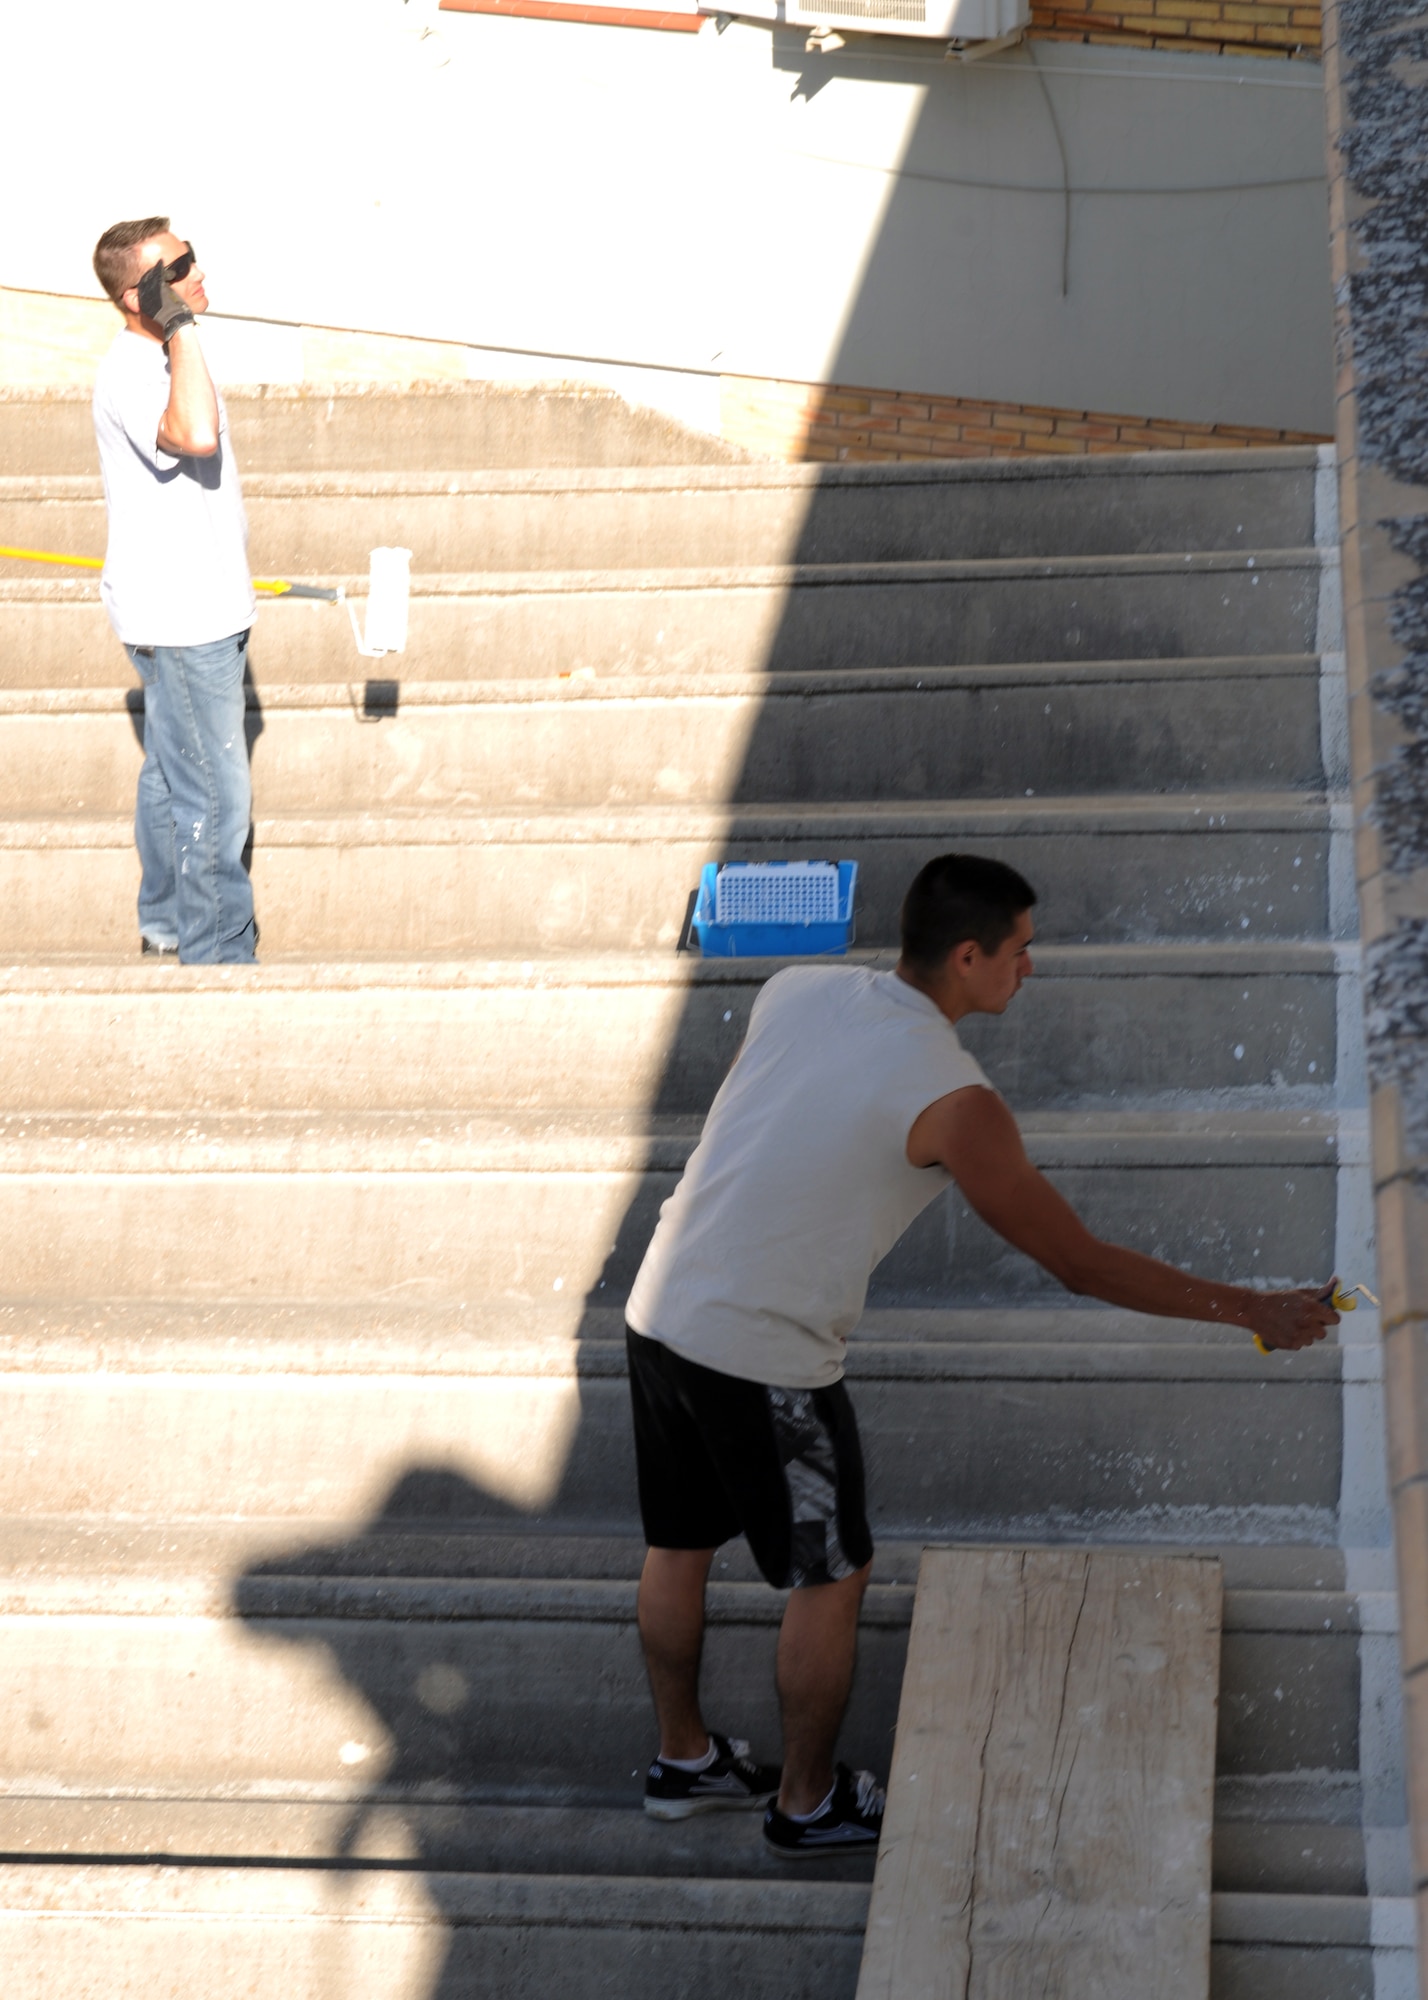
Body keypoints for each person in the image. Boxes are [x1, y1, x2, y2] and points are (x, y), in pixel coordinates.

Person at [625, 852, 1339, 1856]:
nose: (1030, 969)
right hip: (764, 1351)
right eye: (1021, 950)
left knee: (680, 1541)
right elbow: (1076, 1260)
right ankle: (806, 1798)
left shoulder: (799, 989)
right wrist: (1254, 1309)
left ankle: (682, 1755)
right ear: (968, 956)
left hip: (661, 1310)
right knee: (831, 1574)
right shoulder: (958, 1102)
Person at [91, 217, 257, 963]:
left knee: (169, 771)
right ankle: (218, 958)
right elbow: (196, 436)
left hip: (190, 606)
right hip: (185, 618)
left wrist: (179, 332)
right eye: (176, 267)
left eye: (190, 259)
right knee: (214, 799)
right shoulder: (136, 368)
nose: (195, 272)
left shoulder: (160, 355)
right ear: (139, 296)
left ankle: (163, 922)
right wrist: (182, 328)